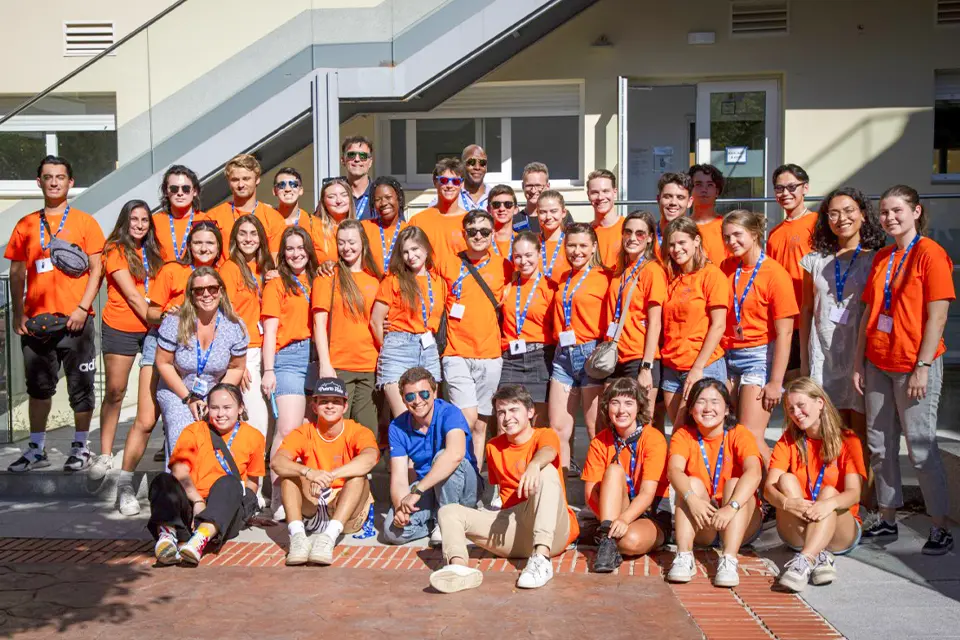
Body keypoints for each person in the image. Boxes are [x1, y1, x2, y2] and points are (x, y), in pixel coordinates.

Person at [854, 185, 955, 555]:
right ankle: (887, 516)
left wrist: (923, 366)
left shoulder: (931, 254)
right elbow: (869, 311)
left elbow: (938, 314)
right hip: (878, 362)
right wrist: (858, 362)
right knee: (880, 446)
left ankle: (940, 525)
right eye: (884, 212)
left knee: (920, 448)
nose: (889, 218)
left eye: (897, 210)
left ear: (916, 211)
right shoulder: (883, 256)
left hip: (914, 364)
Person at [116, 221, 224, 515]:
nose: (204, 248)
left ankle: (197, 491)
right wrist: (166, 312)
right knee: (147, 418)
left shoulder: (223, 274)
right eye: (198, 243)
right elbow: (150, 312)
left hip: (201, 353)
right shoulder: (173, 270)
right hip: (163, 346)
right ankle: (125, 485)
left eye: (210, 243)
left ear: (218, 248)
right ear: (189, 246)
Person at [6, 156, 105, 473]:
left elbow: (97, 269)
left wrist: (81, 308)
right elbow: (17, 271)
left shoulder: (86, 223)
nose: (54, 182)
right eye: (48, 177)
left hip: (76, 321)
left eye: (60, 177)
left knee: (81, 388)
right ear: (39, 182)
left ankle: (81, 447)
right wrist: (18, 314)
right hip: (36, 323)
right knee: (38, 388)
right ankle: (36, 449)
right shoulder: (25, 224)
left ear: (70, 182)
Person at [429, 385, 579, 592]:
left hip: (554, 530)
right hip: (514, 528)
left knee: (548, 472)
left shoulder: (544, 434)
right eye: (501, 412)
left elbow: (548, 451)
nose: (507, 417)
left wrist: (534, 465)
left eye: (514, 409)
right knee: (448, 512)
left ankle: (542, 559)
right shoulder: (493, 447)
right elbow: (504, 493)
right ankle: (459, 569)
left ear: (530, 412)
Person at [799, 187, 884, 506]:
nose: (841, 218)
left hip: (860, 357)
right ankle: (828, 497)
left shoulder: (876, 258)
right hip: (823, 356)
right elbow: (807, 310)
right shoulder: (815, 260)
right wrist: (806, 363)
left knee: (862, 432)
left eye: (848, 211)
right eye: (833, 213)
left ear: (863, 214)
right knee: (826, 431)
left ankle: (865, 501)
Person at [765, 378, 867, 592]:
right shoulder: (788, 440)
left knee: (829, 492)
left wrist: (827, 505)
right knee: (785, 480)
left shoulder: (848, 440)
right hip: (797, 523)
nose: (796, 413)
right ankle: (819, 556)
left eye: (801, 405)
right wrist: (786, 503)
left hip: (841, 533)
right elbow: (768, 489)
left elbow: (854, 493)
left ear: (820, 403)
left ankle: (805, 560)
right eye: (791, 409)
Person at [149, 383, 264, 565]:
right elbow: (179, 470)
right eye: (214, 408)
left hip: (223, 508)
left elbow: (252, 481)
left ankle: (200, 539)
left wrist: (246, 511)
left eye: (227, 407)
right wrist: (197, 501)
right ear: (207, 408)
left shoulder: (255, 436)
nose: (220, 414)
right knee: (162, 480)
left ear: (240, 408)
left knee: (230, 483)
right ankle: (167, 537)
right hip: (193, 502)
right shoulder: (193, 431)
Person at [90, 200, 164, 480]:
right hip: (122, 326)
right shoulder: (115, 249)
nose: (140, 225)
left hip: (151, 330)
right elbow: (132, 295)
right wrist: (160, 318)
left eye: (145, 220)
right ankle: (106, 453)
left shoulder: (155, 251)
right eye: (134, 219)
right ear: (125, 220)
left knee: (154, 395)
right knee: (116, 391)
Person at [271, 377, 379, 565]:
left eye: (336, 401)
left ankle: (328, 538)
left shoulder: (357, 431)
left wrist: (331, 476)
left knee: (359, 478)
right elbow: (277, 462)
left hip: (344, 510)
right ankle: (297, 537)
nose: (330, 406)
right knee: (289, 476)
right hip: (312, 506)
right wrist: (309, 473)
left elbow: (370, 458)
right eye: (324, 401)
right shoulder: (303, 432)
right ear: (314, 406)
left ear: (345, 406)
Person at [666, 378, 763, 587]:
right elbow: (673, 470)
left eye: (715, 401)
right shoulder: (683, 435)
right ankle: (684, 557)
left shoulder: (739, 433)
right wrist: (692, 499)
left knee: (734, 482)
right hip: (706, 520)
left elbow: (755, 472)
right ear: (691, 410)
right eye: (701, 402)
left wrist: (732, 507)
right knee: (688, 483)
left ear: (727, 409)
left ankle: (729, 559)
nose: (708, 408)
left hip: (739, 517)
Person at [720, 210, 797, 464]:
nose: (732, 242)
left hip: (759, 357)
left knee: (750, 434)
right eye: (727, 237)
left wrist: (775, 382)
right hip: (728, 355)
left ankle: (780, 491)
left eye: (738, 235)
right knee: (729, 431)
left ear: (754, 234)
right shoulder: (727, 267)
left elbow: (785, 333)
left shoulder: (775, 273)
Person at [154, 267, 248, 461]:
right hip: (178, 389)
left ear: (221, 291)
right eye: (199, 290)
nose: (206, 294)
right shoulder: (174, 322)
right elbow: (163, 363)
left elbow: (236, 367)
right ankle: (181, 487)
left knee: (220, 433)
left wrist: (218, 398)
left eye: (212, 288)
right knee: (183, 432)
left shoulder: (234, 326)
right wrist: (189, 398)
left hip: (214, 390)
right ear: (191, 294)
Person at [437, 210, 508, 465]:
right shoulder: (447, 262)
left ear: (492, 234)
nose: (478, 236)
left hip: (490, 354)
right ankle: (454, 474)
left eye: (485, 231)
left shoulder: (504, 266)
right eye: (473, 231)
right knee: (464, 420)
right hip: (456, 352)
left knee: (480, 426)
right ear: (463, 234)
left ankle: (474, 483)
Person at [383, 367, 482, 545]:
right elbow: (398, 478)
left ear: (435, 392)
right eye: (410, 396)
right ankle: (436, 520)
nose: (418, 401)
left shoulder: (450, 413)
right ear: (404, 400)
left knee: (443, 456)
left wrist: (416, 491)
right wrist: (401, 508)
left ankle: (448, 523)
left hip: (463, 484)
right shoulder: (397, 426)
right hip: (427, 489)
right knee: (393, 531)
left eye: (424, 394)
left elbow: (456, 454)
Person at [583, 378, 671, 573]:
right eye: (615, 403)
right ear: (607, 407)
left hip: (650, 513)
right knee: (614, 470)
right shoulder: (599, 441)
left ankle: (606, 538)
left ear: (639, 406)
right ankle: (607, 538)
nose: (621, 410)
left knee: (629, 542)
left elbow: (648, 494)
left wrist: (623, 520)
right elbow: (590, 494)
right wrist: (609, 523)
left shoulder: (653, 438)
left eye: (628, 403)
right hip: (612, 514)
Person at [261, 227, 320, 514]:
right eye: (290, 248)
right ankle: (278, 497)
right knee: (286, 430)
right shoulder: (276, 284)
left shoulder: (319, 278)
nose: (296, 254)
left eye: (301, 248)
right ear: (283, 254)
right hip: (289, 357)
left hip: (318, 356)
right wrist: (269, 369)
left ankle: (303, 495)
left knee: (309, 430)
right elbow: (270, 331)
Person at [548, 223, 611, 472]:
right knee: (558, 428)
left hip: (591, 354)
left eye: (583, 245)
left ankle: (596, 492)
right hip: (563, 356)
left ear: (594, 246)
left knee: (596, 428)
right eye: (571, 245)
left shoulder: (605, 277)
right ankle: (561, 494)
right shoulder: (563, 277)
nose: (576, 251)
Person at [312, 220, 383, 432]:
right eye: (341, 242)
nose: (346, 248)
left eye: (351, 242)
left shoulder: (376, 278)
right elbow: (319, 322)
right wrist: (325, 363)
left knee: (367, 432)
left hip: (370, 365)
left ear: (363, 242)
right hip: (338, 365)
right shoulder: (328, 276)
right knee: (335, 429)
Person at [370, 227, 447, 417]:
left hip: (428, 349)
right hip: (398, 348)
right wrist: (388, 347)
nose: (410, 256)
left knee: (429, 416)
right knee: (404, 416)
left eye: (415, 249)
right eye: (405, 252)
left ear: (426, 249)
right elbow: (376, 321)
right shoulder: (393, 280)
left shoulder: (439, 282)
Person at [661, 217, 730, 427]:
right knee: (680, 431)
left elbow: (718, 325)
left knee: (700, 431)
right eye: (672, 244)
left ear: (696, 241)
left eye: (682, 243)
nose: (676, 249)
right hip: (672, 365)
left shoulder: (711, 275)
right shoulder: (671, 276)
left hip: (703, 365)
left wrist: (698, 367)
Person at [220, 214, 277, 439]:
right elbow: (226, 316)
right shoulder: (230, 268)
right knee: (257, 417)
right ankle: (253, 472)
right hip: (247, 350)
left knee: (272, 418)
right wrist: (238, 362)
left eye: (253, 233)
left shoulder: (265, 267)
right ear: (235, 238)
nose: (248, 239)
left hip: (270, 349)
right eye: (242, 233)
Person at [603, 211, 666, 410]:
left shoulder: (652, 270)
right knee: (613, 422)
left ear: (649, 238)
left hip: (638, 357)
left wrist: (646, 367)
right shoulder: (620, 269)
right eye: (628, 232)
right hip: (614, 356)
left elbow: (655, 322)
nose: (632, 238)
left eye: (640, 234)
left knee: (639, 424)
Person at [500, 231, 557, 425]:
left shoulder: (550, 288)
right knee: (507, 421)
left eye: (528, 255)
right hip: (511, 359)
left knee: (537, 424)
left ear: (539, 253)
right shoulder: (507, 287)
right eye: (518, 256)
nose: (523, 261)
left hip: (540, 357)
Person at [767, 164, 817, 380]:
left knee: (811, 380)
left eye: (791, 187)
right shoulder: (774, 233)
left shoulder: (818, 224)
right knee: (789, 380)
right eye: (779, 188)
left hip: (812, 315)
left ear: (805, 188)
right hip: (785, 317)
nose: (785, 193)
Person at [206, 154, 286, 260]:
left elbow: (276, 261)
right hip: (223, 275)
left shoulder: (273, 218)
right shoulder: (213, 216)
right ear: (229, 183)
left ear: (257, 179)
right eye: (235, 180)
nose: (240, 185)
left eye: (246, 179)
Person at [410, 158, 468, 267]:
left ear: (462, 184)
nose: (450, 186)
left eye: (455, 181)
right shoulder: (418, 221)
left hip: (460, 282)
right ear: (435, 182)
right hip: (428, 282)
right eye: (444, 180)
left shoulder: (469, 221)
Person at [152, 165, 207, 263]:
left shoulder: (206, 220)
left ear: (194, 191)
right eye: (174, 189)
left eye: (185, 189)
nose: (180, 193)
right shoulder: (153, 222)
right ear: (165, 192)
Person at [362, 175, 407, 273]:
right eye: (378, 200)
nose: (383, 203)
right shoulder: (364, 228)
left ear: (398, 198)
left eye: (388, 197)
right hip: (370, 286)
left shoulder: (408, 231)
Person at [687, 164, 728, 266]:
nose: (704, 190)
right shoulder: (683, 226)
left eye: (710, 185)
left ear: (717, 191)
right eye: (698, 184)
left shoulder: (727, 226)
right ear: (690, 190)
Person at [311, 177, 356, 264]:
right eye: (331, 197)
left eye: (344, 195)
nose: (338, 201)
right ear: (323, 202)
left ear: (350, 199)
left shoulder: (361, 228)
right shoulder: (313, 227)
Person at [586, 169, 624, 270]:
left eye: (605, 191)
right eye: (594, 192)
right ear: (588, 195)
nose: (600, 197)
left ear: (614, 192)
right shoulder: (585, 232)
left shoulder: (629, 229)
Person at [654, 172, 693, 260]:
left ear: (689, 202)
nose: (673, 203)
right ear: (658, 199)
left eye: (680, 197)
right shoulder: (647, 237)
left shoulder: (696, 238)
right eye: (667, 196)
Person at [536, 189, 571, 283]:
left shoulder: (572, 243)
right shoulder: (532, 242)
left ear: (563, 213)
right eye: (543, 212)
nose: (548, 217)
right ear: (537, 214)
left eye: (553, 211)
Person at [341, 135, 375, 220]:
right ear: (343, 160)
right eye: (351, 155)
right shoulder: (334, 195)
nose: (357, 159)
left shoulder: (379, 194)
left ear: (370, 162)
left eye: (363, 156)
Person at [515, 161, 551, 234]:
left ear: (547, 186)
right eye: (529, 186)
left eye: (538, 185)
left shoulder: (558, 217)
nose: (533, 190)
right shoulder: (515, 220)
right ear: (523, 186)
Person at [488, 184, 517, 258]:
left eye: (508, 204)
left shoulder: (522, 240)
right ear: (488, 209)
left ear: (516, 209)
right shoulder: (482, 241)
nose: (502, 209)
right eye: (496, 204)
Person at [460, 145, 490, 210]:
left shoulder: (494, 196)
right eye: (471, 162)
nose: (477, 167)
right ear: (462, 166)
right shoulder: (452, 195)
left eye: (482, 163)